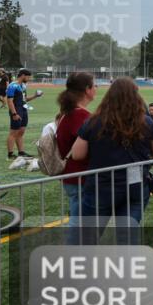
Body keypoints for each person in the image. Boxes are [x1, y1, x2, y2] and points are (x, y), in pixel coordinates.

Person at [72, 78, 153, 244]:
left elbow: (77, 154)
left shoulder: (94, 121)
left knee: (88, 238)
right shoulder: (146, 122)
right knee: (128, 237)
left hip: (101, 185)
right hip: (134, 185)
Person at [55, 72, 97, 243]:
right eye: (94, 86)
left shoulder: (70, 112)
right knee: (80, 223)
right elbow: (90, 145)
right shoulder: (79, 115)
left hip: (74, 177)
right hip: (80, 177)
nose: (96, 89)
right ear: (87, 90)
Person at [6, 68, 43, 160]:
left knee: (21, 131)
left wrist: (35, 96)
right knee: (13, 132)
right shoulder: (12, 86)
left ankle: (21, 152)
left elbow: (24, 99)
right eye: (28, 77)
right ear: (23, 75)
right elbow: (9, 101)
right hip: (16, 111)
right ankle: (10, 154)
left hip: (23, 110)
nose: (29, 79)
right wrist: (14, 114)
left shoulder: (23, 86)